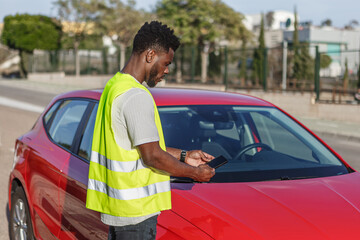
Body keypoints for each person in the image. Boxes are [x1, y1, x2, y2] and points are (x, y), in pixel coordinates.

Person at [86, 21, 215, 240]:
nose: (166, 70)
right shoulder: (136, 96)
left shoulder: (114, 86)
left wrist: (185, 156)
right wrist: (195, 173)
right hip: (136, 215)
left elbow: (140, 147)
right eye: (166, 63)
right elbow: (152, 156)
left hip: (122, 211)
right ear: (150, 55)